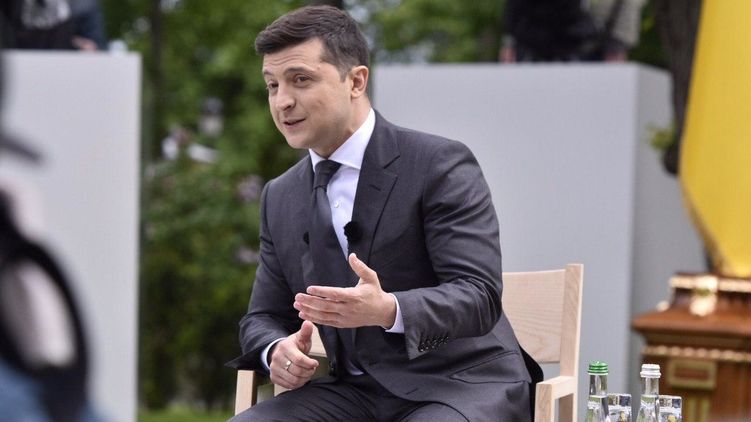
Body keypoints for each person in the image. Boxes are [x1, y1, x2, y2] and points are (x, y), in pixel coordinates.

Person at [227, 5, 540, 421]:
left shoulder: (438, 164)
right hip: (351, 394)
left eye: (300, 79)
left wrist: (388, 309)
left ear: (356, 81)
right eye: (272, 85)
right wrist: (275, 349)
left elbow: (478, 295)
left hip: (458, 384)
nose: (282, 101)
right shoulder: (279, 195)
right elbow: (263, 316)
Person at [500, 0, 646, 63]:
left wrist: (617, 44)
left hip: (593, 45)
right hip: (533, 42)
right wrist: (511, 41)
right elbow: (516, 9)